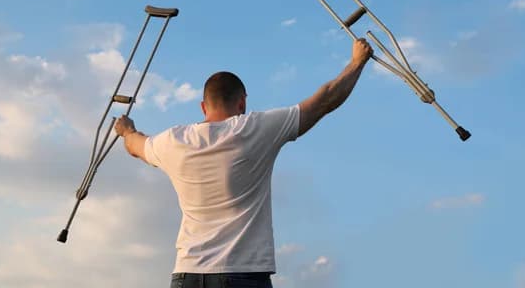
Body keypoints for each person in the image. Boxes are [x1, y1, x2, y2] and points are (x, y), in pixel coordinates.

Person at [114, 38, 373, 288]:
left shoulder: (173, 141)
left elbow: (135, 146)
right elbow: (325, 101)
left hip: (186, 275)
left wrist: (126, 130)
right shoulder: (255, 128)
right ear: (242, 103)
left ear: (203, 106)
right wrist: (357, 62)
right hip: (242, 274)